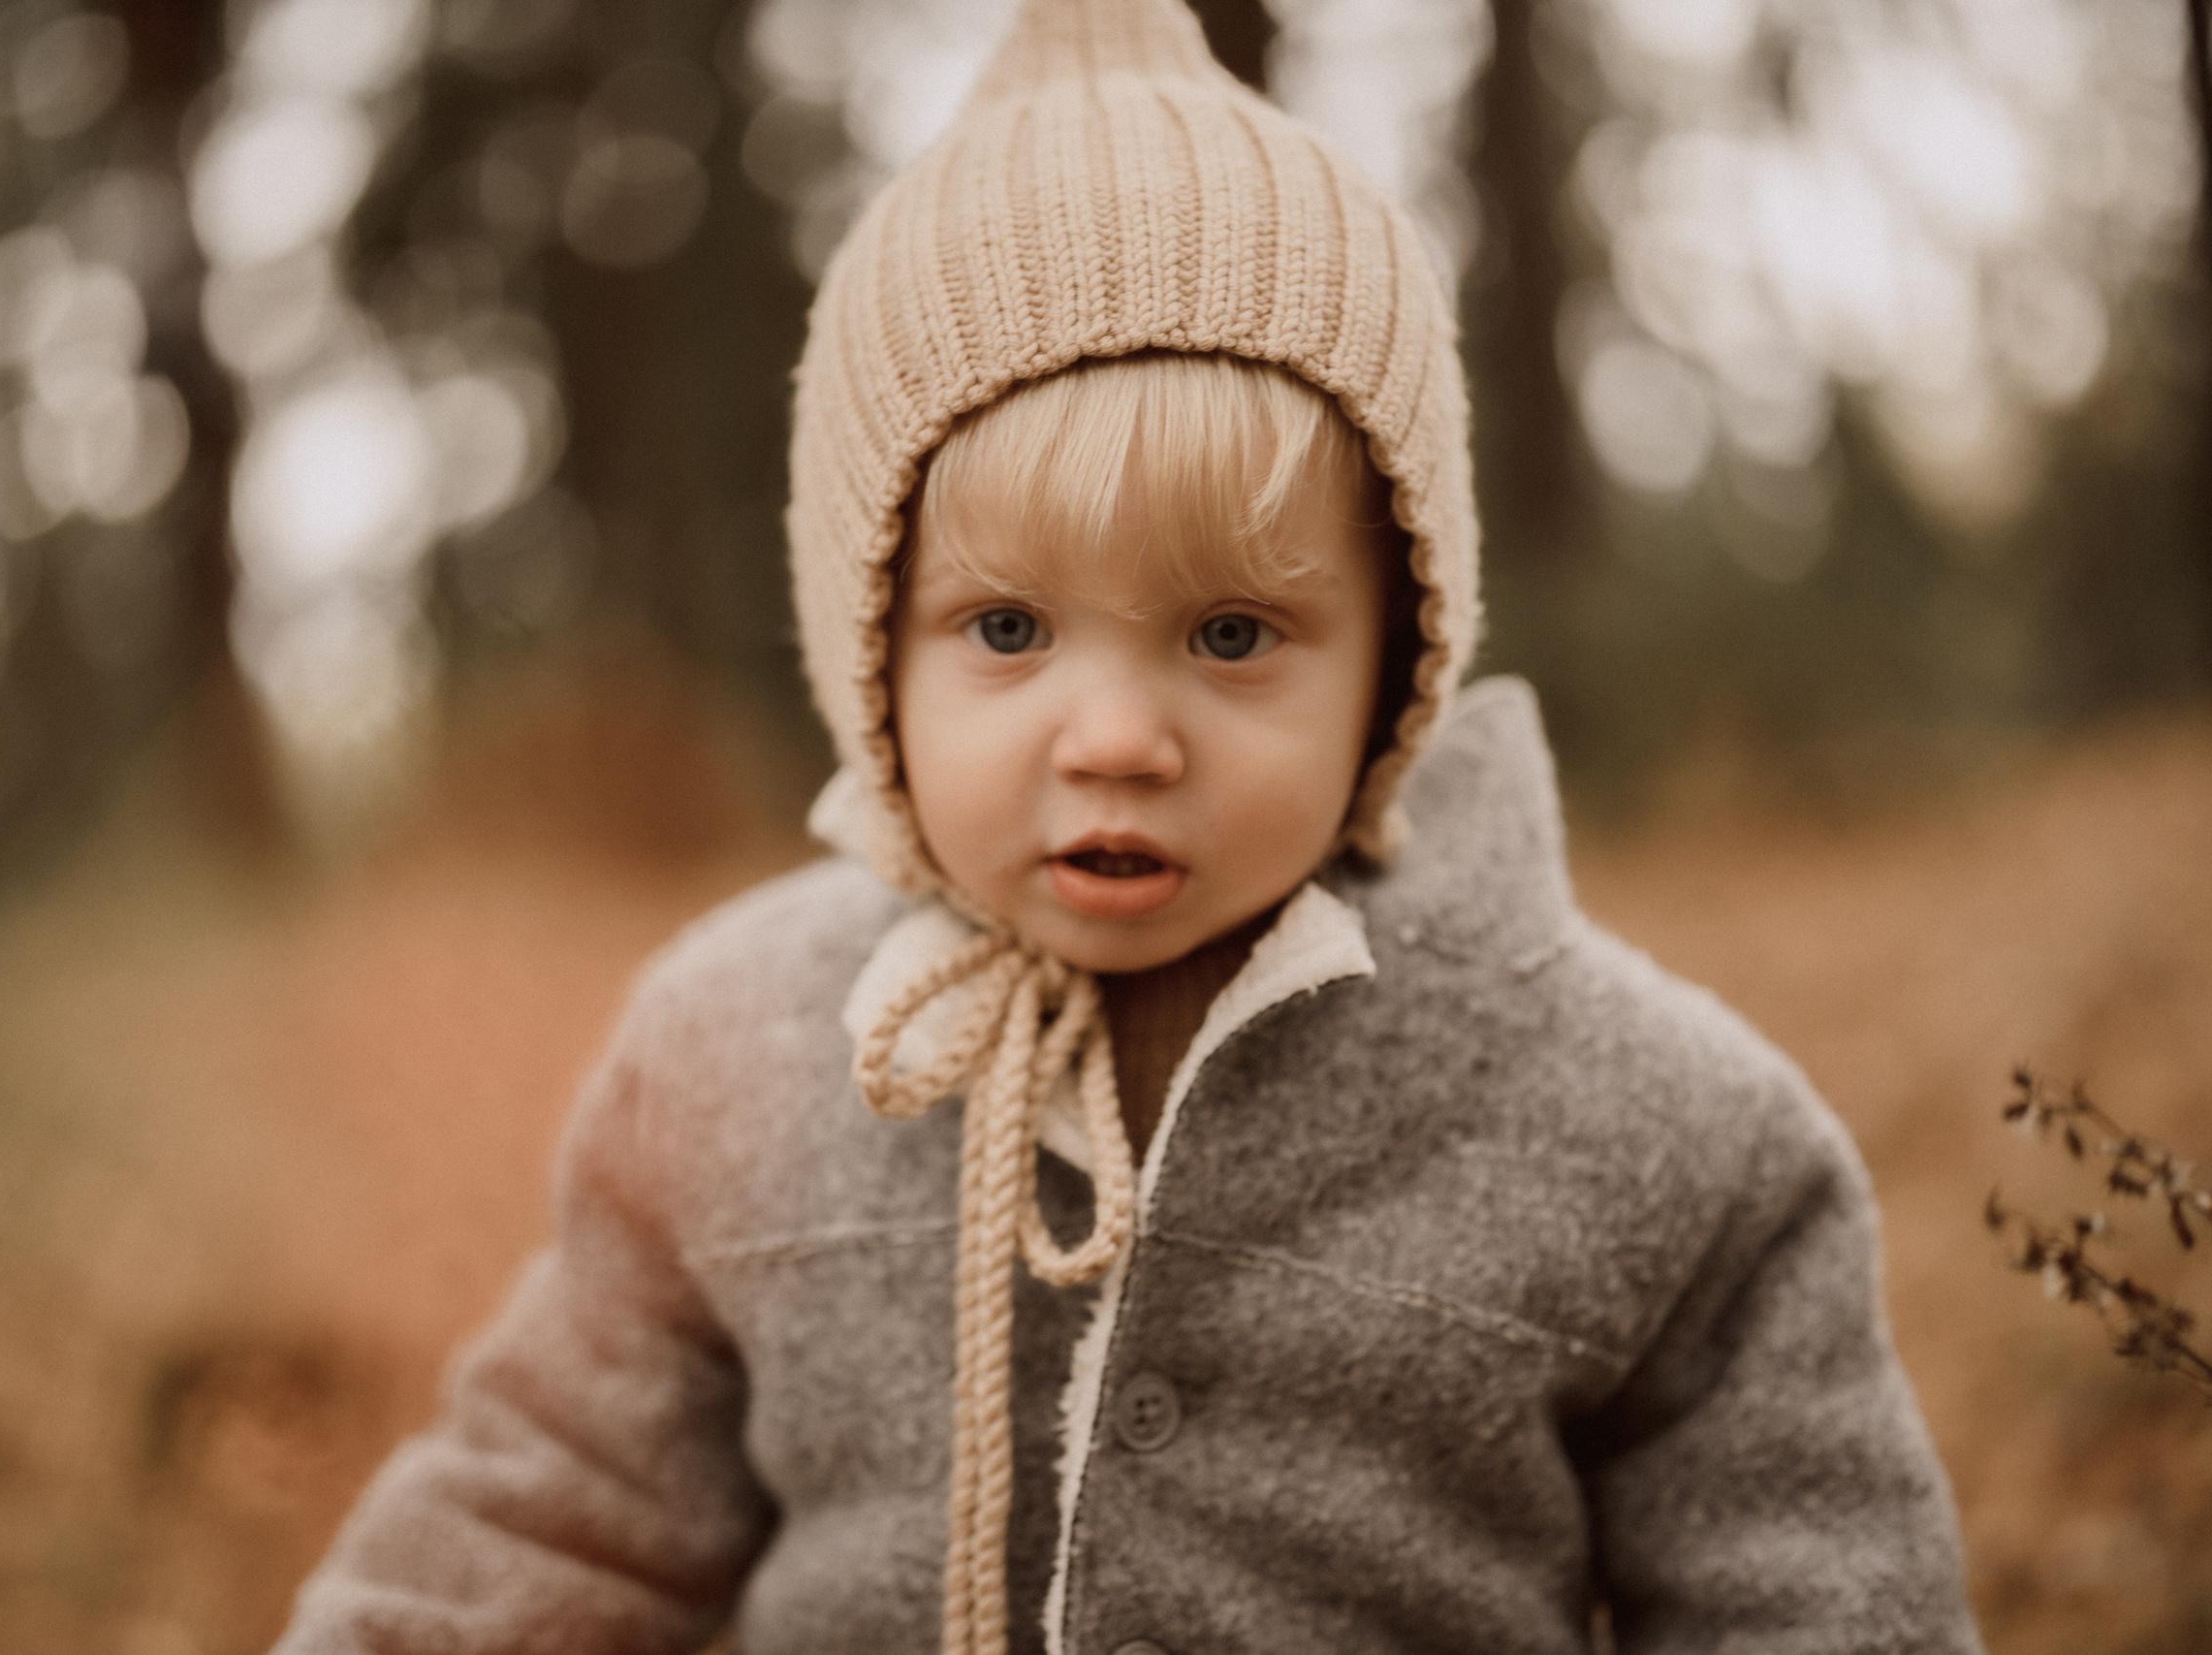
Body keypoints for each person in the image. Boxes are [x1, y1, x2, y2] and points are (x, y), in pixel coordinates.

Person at [271, 2, 1985, 1652]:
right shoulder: (731, 1058)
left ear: (1396, 659)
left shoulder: (1649, 1130)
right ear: (871, 654)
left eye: (1232, 636)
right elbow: (547, 1507)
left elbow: (1809, 1596)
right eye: (1007, 631)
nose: (1113, 738)